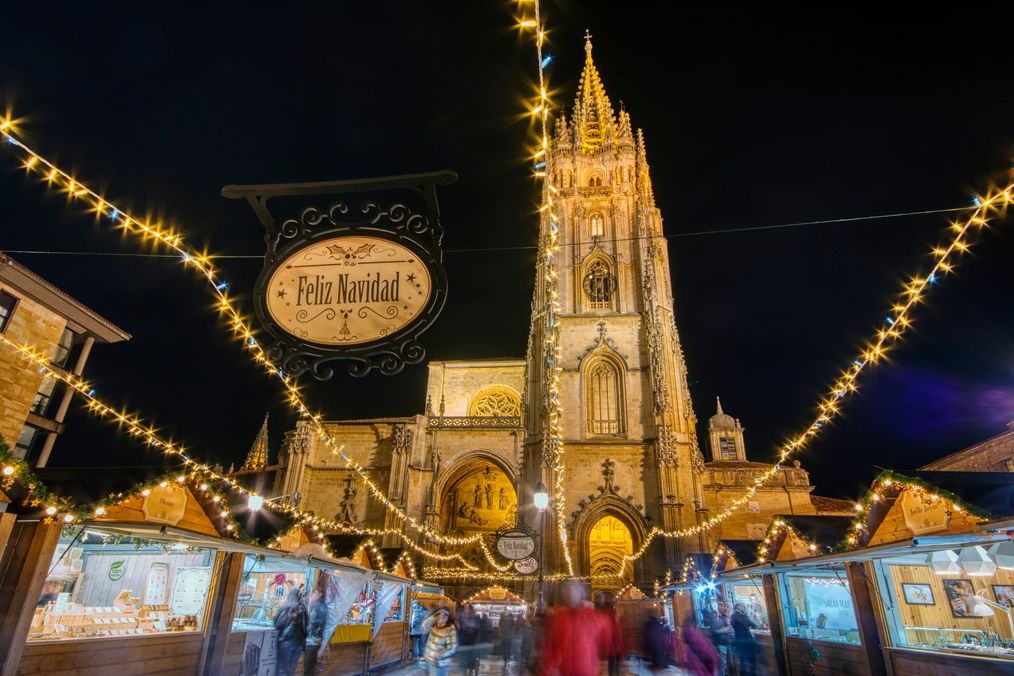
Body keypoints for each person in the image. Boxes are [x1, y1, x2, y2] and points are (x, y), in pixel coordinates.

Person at [539, 580, 607, 676]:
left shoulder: (590, 615)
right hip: (567, 671)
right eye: (566, 591)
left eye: (573, 590)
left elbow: (604, 630)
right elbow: (553, 650)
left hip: (586, 671)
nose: (570, 594)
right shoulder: (558, 617)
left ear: (580, 593)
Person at [274, 588, 309, 676]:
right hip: (299, 644)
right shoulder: (303, 608)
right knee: (292, 669)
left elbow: (277, 625)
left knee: (282, 670)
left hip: (285, 643)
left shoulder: (285, 607)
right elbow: (307, 627)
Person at [594, 592, 624, 676]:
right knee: (612, 666)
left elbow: (618, 634)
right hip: (612, 647)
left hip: (614, 647)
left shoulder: (613, 618)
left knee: (614, 666)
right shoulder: (610, 616)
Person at [422, 608, 458, 676]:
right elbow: (424, 625)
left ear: (448, 617)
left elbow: (452, 648)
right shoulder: (434, 625)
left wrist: (439, 655)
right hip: (429, 660)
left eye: (445, 616)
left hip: (441, 663)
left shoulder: (450, 629)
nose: (442, 617)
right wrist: (434, 617)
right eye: (440, 615)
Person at [731, 602, 760, 676]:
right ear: (743, 608)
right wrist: (756, 617)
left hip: (739, 642)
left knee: (743, 663)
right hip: (748, 641)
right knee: (752, 661)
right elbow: (755, 625)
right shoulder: (744, 617)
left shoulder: (733, 616)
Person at [710, 598, 735, 675]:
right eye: (720, 605)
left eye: (723, 605)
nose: (722, 607)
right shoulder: (715, 617)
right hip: (720, 642)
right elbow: (715, 630)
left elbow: (731, 629)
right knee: (722, 664)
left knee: (728, 663)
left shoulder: (725, 616)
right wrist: (727, 629)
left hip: (727, 642)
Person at [457, 603, 481, 675]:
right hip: (463, 639)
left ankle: (471, 669)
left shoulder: (476, 617)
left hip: (472, 639)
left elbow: (477, 628)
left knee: (471, 656)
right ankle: (465, 670)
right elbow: (459, 628)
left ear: (470, 609)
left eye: (467, 608)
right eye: (465, 608)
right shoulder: (460, 617)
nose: (466, 609)